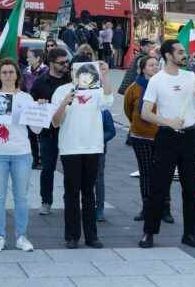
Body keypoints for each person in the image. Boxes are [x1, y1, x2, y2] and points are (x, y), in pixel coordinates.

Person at [139, 39, 195, 249]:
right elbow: (145, 112)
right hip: (166, 137)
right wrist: (167, 122)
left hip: (189, 137)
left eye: (184, 51)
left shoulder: (191, 76)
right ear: (168, 55)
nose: (184, 55)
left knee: (190, 188)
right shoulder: (157, 80)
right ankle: (148, 233)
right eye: (179, 52)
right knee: (159, 187)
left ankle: (190, 234)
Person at [51, 55, 112, 249]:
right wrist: (64, 103)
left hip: (93, 147)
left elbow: (109, 101)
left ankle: (91, 236)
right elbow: (55, 122)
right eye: (77, 70)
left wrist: (104, 75)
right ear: (71, 71)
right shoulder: (61, 90)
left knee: (89, 193)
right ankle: (72, 235)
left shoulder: (96, 90)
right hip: (70, 148)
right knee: (71, 193)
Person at [0, 59, 40, 252]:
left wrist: (39, 111)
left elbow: (37, 129)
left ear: (17, 75)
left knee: (21, 197)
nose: (7, 75)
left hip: (21, 153)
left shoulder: (26, 98)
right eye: (4, 72)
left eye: (11, 72)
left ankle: (21, 236)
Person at [124, 56, 173, 222]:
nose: (155, 67)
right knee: (146, 173)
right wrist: (137, 124)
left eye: (156, 65)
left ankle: (165, 208)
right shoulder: (134, 88)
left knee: (163, 173)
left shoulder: (164, 86)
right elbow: (128, 109)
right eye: (151, 65)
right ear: (142, 69)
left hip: (163, 135)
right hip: (141, 136)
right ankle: (147, 207)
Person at [29, 48, 71, 215]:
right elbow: (31, 106)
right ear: (51, 63)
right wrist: (38, 103)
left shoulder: (71, 80)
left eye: (67, 62)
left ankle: (70, 200)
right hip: (49, 133)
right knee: (48, 168)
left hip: (69, 130)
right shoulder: (40, 82)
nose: (66, 65)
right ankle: (46, 201)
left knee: (70, 169)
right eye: (62, 63)